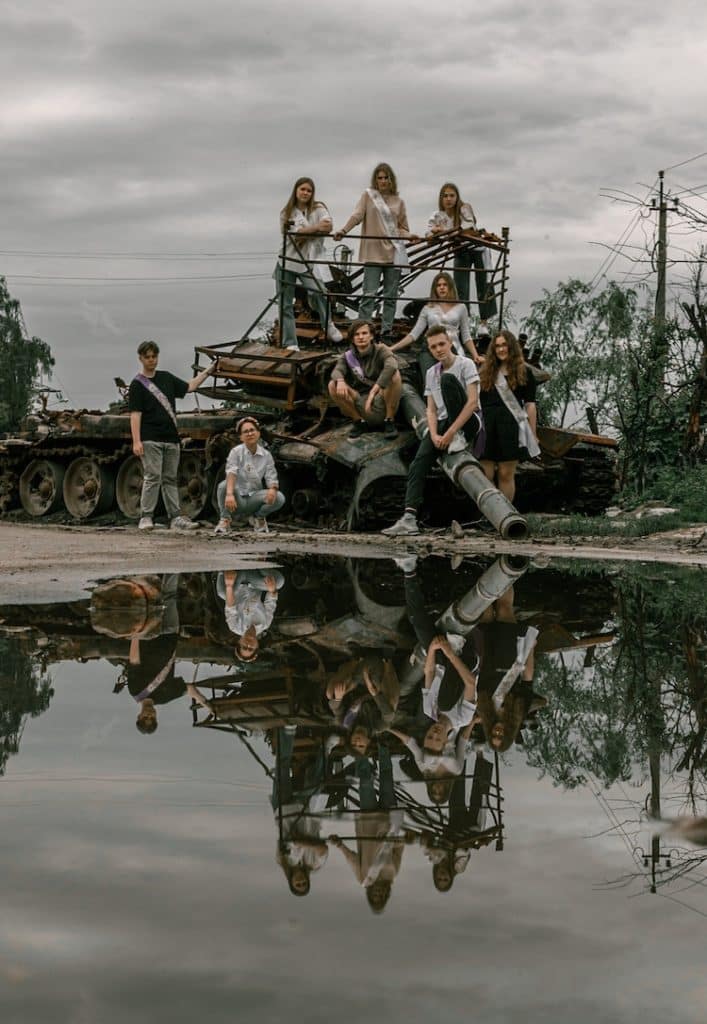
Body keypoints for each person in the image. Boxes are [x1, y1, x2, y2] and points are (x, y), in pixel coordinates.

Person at [382, 326, 481, 536]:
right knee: (418, 463)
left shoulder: (466, 364)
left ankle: (459, 440)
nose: (438, 349)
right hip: (444, 424)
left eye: (441, 344)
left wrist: (452, 433)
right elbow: (431, 409)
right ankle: (409, 519)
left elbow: (472, 403)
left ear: (450, 343)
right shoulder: (431, 372)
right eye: (433, 347)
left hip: (468, 422)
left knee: (448, 381)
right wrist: (434, 435)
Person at [128, 340, 216, 531]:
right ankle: (146, 517)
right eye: (148, 357)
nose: (152, 360)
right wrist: (136, 441)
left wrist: (210, 369)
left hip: (171, 438)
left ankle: (175, 518)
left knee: (169, 478)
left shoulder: (166, 378)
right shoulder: (137, 385)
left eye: (154, 356)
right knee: (152, 477)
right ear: (141, 358)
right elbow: (135, 415)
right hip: (150, 437)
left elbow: (190, 386)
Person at [334, 163, 417, 342]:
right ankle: (363, 332)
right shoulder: (368, 196)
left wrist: (410, 236)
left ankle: (386, 331)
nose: (383, 181)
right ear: (375, 180)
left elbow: (402, 229)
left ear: (391, 179)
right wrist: (344, 230)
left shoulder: (399, 202)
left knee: (390, 296)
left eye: (386, 177)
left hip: (393, 253)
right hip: (372, 252)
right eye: (379, 178)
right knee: (369, 294)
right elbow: (357, 216)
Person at [276, 176, 342, 351]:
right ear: (296, 191)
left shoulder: (318, 208)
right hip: (287, 263)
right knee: (286, 304)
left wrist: (307, 232)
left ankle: (327, 324)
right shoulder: (287, 213)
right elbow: (296, 236)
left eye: (309, 190)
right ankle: (290, 342)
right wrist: (315, 229)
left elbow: (328, 226)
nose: (305, 193)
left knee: (320, 291)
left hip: (307, 263)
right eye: (302, 189)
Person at [479, 330, 539, 503]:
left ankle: (505, 516)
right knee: (485, 474)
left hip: (511, 427)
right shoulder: (485, 372)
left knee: (505, 474)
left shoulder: (525, 372)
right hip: (487, 426)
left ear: (511, 347)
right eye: (497, 346)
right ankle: (490, 514)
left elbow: (530, 405)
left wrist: (533, 434)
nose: (501, 349)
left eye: (504, 345)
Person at [427, 182, 497, 320]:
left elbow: (467, 228)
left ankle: (484, 323)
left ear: (457, 197)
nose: (448, 199)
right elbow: (429, 233)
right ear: (441, 199)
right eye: (445, 196)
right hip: (460, 250)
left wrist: (443, 231)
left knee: (483, 283)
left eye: (452, 195)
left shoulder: (465, 208)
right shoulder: (438, 215)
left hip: (477, 249)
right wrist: (433, 233)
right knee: (460, 286)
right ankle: (465, 319)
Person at [390, 271, 481, 377]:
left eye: (445, 285)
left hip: (453, 346)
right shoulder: (428, 308)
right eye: (438, 285)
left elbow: (466, 336)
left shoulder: (461, 307)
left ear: (450, 287)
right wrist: (392, 348)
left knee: (456, 379)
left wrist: (476, 355)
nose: (441, 287)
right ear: (435, 289)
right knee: (430, 378)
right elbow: (414, 334)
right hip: (430, 349)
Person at [328, 319, 402, 437]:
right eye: (356, 334)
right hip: (361, 399)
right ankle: (359, 421)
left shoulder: (381, 349)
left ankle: (389, 420)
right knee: (333, 384)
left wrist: (374, 391)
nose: (360, 337)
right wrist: (340, 381)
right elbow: (337, 370)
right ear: (352, 339)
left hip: (381, 397)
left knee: (395, 375)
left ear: (371, 336)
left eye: (364, 333)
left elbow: (392, 365)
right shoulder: (348, 356)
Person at [213, 416, 285, 534]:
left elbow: (271, 476)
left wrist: (272, 488)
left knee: (279, 497)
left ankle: (259, 518)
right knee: (224, 485)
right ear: (241, 437)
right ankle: (225, 520)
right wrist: (230, 494)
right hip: (237, 500)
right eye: (245, 432)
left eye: (252, 430)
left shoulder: (266, 455)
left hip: (254, 499)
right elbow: (231, 471)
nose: (250, 433)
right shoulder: (236, 452)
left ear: (258, 433)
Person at [216, 567, 285, 662]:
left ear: (239, 642)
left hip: (237, 581)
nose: (248, 645)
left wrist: (229, 585)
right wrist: (272, 590)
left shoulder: (234, 627)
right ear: (257, 645)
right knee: (279, 582)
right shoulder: (265, 624)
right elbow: (271, 602)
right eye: (251, 649)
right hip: (254, 582)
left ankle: (223, 569)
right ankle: (260, 564)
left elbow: (230, 606)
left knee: (223, 593)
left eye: (244, 647)